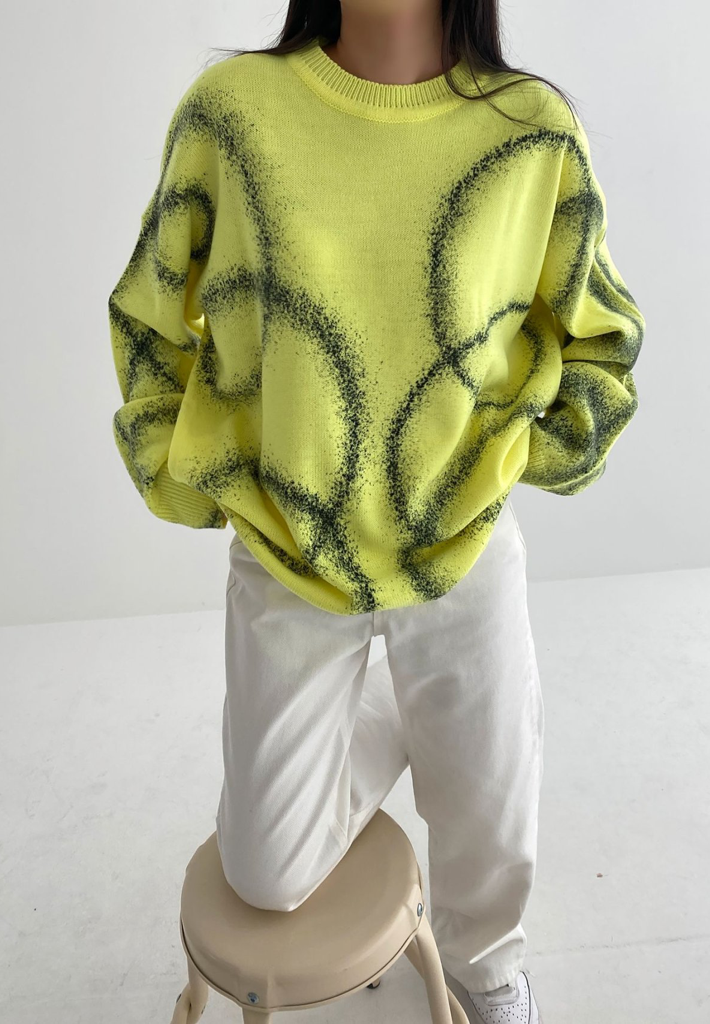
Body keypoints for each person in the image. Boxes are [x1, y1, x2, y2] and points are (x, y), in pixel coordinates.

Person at [108, 2, 645, 1020]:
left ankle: (490, 970)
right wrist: (190, 472)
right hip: (289, 549)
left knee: (490, 815)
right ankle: (408, 709)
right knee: (266, 872)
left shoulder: (530, 131)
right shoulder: (233, 112)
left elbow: (601, 334)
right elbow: (149, 312)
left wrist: (519, 455)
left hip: (462, 542)